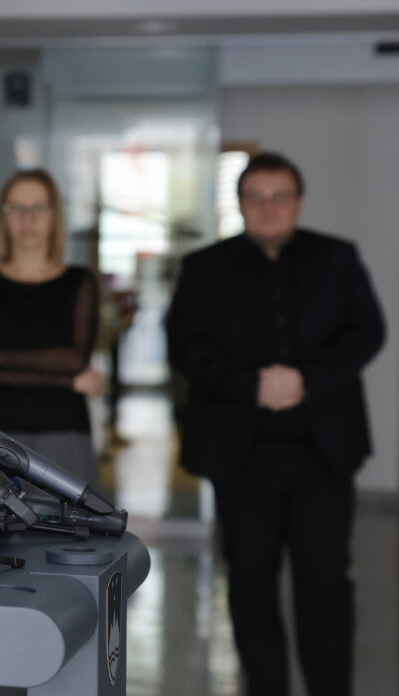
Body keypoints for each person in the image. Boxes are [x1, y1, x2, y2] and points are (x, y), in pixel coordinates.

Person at [165, 151, 384, 696]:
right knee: (249, 588)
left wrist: (306, 379)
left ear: (298, 202)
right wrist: (252, 384)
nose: (268, 208)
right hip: (240, 458)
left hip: (322, 455)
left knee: (325, 587)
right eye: (256, 197)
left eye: (279, 196)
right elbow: (184, 344)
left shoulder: (337, 258)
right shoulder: (204, 267)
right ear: (240, 204)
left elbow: (368, 330)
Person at [0, 168, 104, 491]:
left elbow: (73, 359)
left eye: (39, 207)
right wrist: (68, 380)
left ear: (55, 216)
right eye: (16, 208)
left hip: (65, 429)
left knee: (65, 523)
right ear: (3, 217)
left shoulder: (79, 282)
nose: (28, 219)